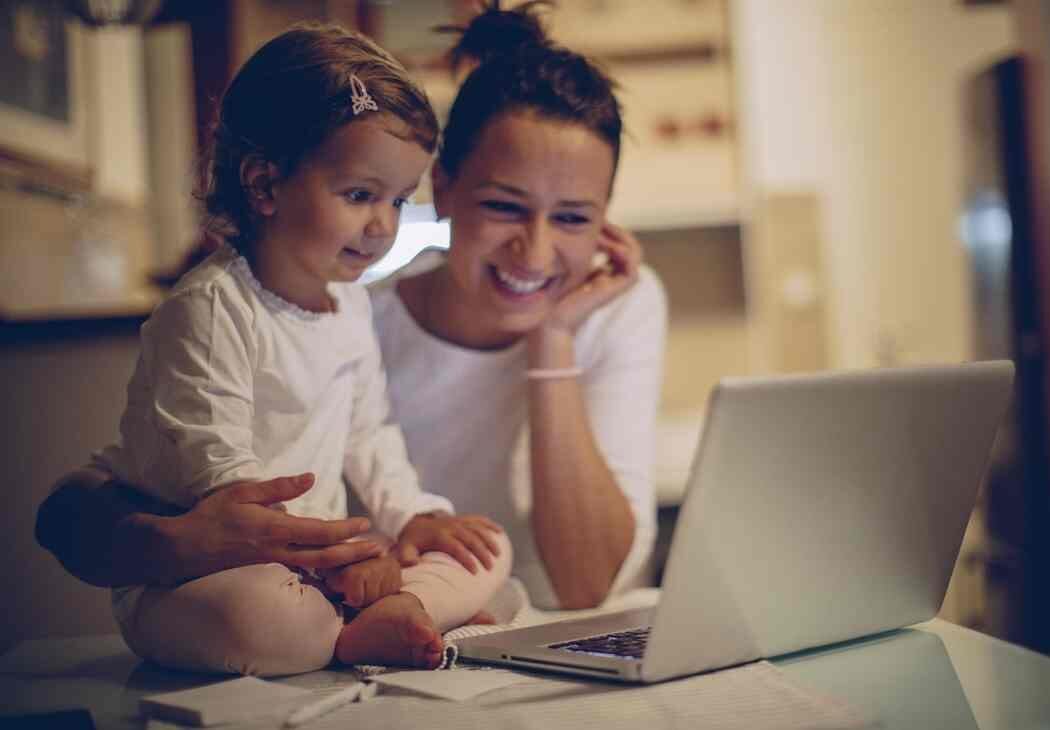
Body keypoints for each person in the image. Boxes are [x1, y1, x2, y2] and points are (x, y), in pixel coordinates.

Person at [37, 0, 664, 637]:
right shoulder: (320, 309)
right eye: (505, 205)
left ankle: (406, 614)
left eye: (573, 217)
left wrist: (552, 339)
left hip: (491, 614)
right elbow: (93, 500)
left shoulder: (617, 305)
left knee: (487, 556)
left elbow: (585, 585)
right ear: (443, 186)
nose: (533, 251)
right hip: (285, 573)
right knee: (274, 612)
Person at [80, 22, 513, 676]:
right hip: (212, 573)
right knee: (262, 618)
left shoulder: (350, 302)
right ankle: (377, 618)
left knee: (486, 548)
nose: (383, 226)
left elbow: (370, 432)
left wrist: (414, 517)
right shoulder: (211, 308)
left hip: (325, 563)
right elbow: (222, 478)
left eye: (397, 199)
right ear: (265, 186)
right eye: (360, 195)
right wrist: (345, 558)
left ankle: (377, 616)